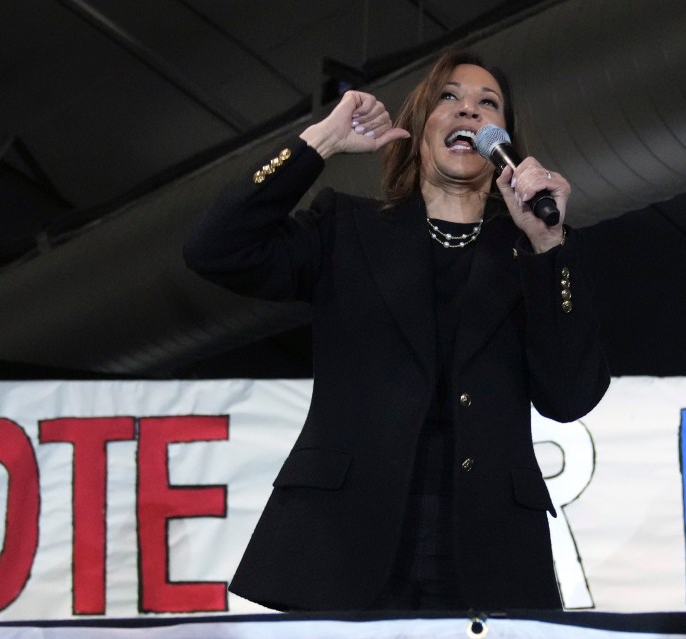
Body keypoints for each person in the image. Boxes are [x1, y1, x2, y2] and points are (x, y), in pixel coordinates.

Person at [183, 50, 609, 612]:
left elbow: (569, 395)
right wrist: (320, 143)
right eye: (449, 98)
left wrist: (547, 247)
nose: (469, 112)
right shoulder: (346, 227)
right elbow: (216, 249)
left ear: (505, 140)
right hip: (341, 536)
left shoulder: (528, 254)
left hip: (486, 545)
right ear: (419, 126)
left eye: (488, 105)